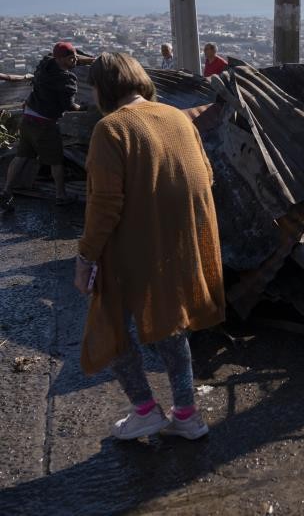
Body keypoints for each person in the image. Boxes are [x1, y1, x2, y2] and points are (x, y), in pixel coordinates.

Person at [73, 52, 225, 440]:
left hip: (131, 249)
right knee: (171, 325)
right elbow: (205, 177)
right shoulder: (176, 116)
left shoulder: (111, 129)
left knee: (111, 325)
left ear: (102, 88)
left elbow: (104, 205)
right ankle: (187, 415)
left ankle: (145, 411)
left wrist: (85, 256)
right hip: (179, 245)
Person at [0, 42, 91, 210]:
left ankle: (6, 190)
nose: (75, 60)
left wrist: (88, 60)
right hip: (45, 124)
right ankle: (61, 195)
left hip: (28, 118)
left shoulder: (45, 64)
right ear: (62, 59)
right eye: (72, 58)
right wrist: (84, 107)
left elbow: (68, 57)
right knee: (56, 161)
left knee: (21, 156)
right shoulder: (66, 78)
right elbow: (69, 105)